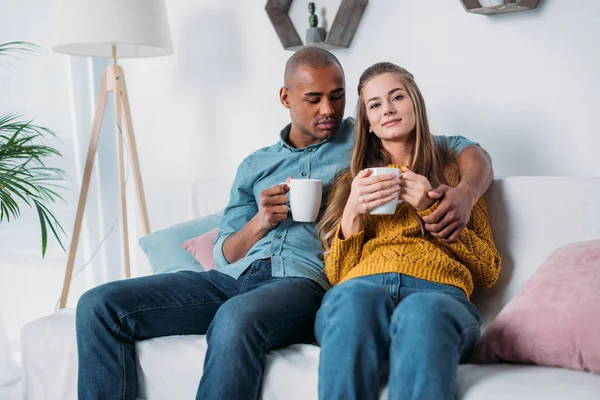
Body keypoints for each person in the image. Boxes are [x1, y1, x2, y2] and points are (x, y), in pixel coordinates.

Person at [75, 49, 493, 400]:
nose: (328, 110)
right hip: (236, 277)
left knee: (238, 317)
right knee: (98, 305)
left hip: (298, 281)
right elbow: (224, 254)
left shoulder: (365, 141)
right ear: (285, 97)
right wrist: (262, 220)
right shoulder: (258, 165)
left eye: (338, 97)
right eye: (313, 98)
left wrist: (462, 194)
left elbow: (461, 149)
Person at [315, 62, 502, 400]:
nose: (387, 109)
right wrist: (352, 212)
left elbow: (488, 268)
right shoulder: (352, 183)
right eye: (375, 105)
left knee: (422, 312)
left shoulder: (453, 177)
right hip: (362, 288)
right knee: (356, 298)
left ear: (416, 103)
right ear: (368, 124)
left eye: (397, 97)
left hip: (438, 295)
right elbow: (337, 276)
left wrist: (430, 207)